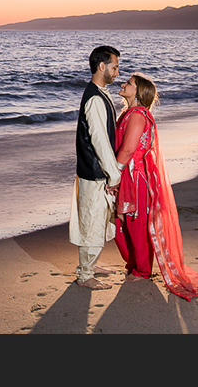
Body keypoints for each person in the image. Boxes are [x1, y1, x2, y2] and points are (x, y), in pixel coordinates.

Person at [113, 72, 198, 301]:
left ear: (139, 92)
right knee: (120, 223)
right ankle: (135, 264)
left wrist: (112, 175)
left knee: (135, 223)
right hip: (128, 173)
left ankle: (142, 270)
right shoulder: (128, 113)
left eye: (130, 83)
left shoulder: (137, 115)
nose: (124, 84)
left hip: (134, 177)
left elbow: (128, 150)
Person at [69, 45, 123, 290]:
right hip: (93, 173)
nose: (117, 73)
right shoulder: (94, 98)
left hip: (95, 171)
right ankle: (85, 275)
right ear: (102, 67)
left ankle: (93, 265)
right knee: (91, 221)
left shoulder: (99, 92)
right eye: (115, 67)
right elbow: (100, 141)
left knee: (99, 219)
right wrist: (114, 175)